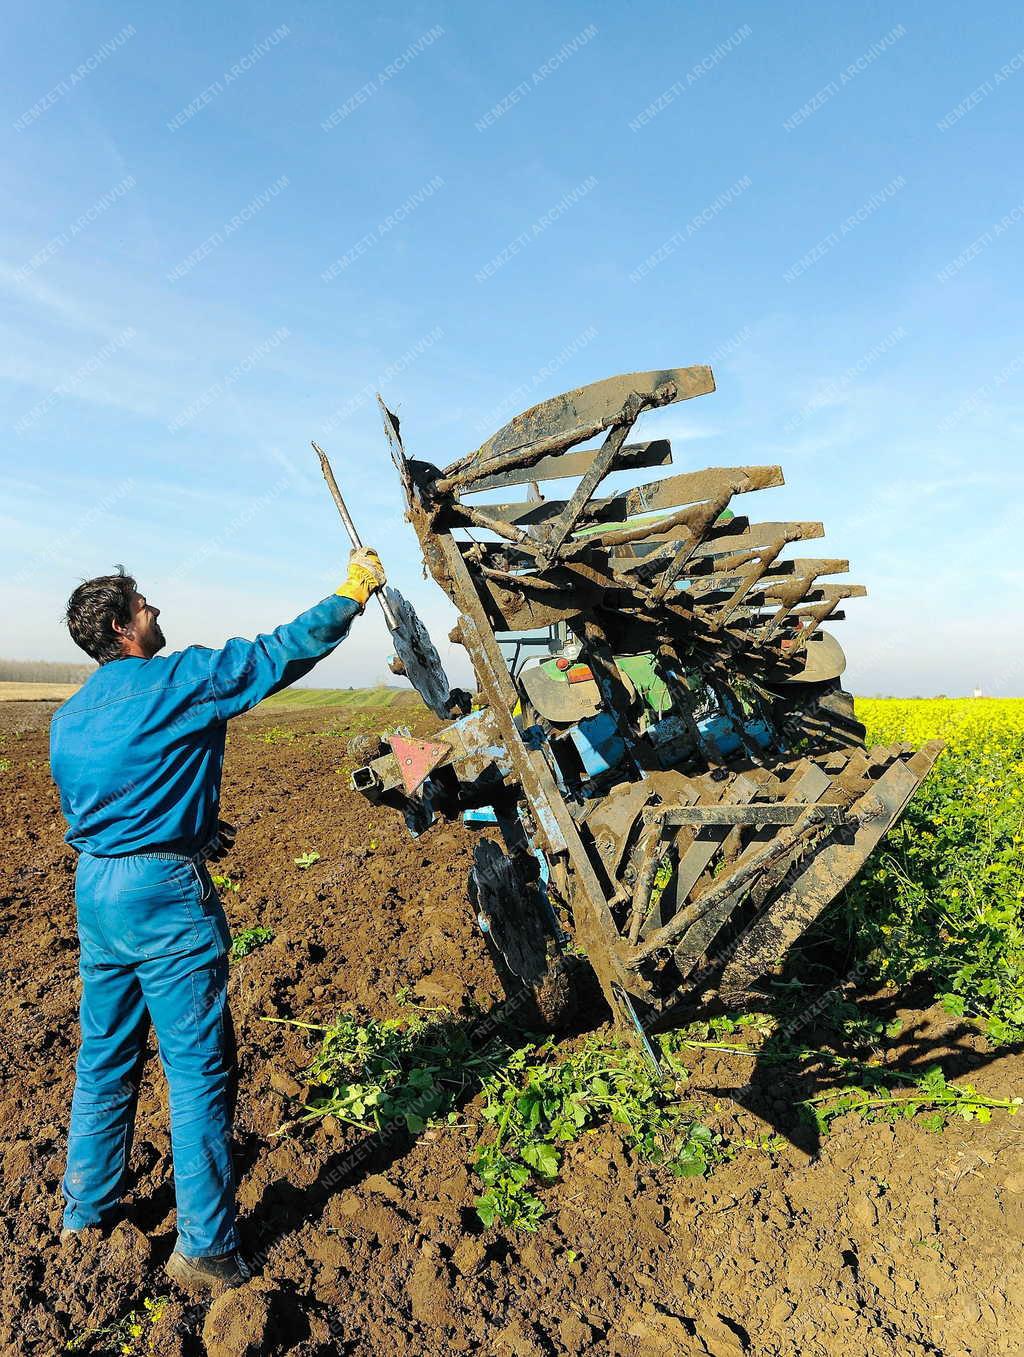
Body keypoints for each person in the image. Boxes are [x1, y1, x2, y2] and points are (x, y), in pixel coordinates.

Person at [49, 550, 386, 1292]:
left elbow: (115, 801)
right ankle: (205, 1247)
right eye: (144, 606)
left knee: (104, 1056)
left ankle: (86, 1211)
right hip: (164, 899)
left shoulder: (69, 718)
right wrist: (349, 594)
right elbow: (272, 656)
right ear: (120, 626)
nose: (157, 613)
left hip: (98, 891)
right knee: (198, 1068)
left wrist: (193, 824)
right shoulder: (176, 679)